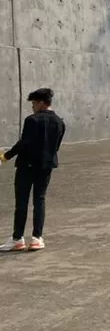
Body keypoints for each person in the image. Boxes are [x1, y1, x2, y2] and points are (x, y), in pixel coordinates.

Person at [0, 88, 67, 252]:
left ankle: (18, 238)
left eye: (34, 103)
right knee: (40, 200)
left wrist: (5, 156)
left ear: (41, 103)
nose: (32, 107)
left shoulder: (32, 120)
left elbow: (24, 143)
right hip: (46, 166)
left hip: (26, 166)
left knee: (22, 201)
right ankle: (37, 238)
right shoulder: (60, 122)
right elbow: (55, 147)